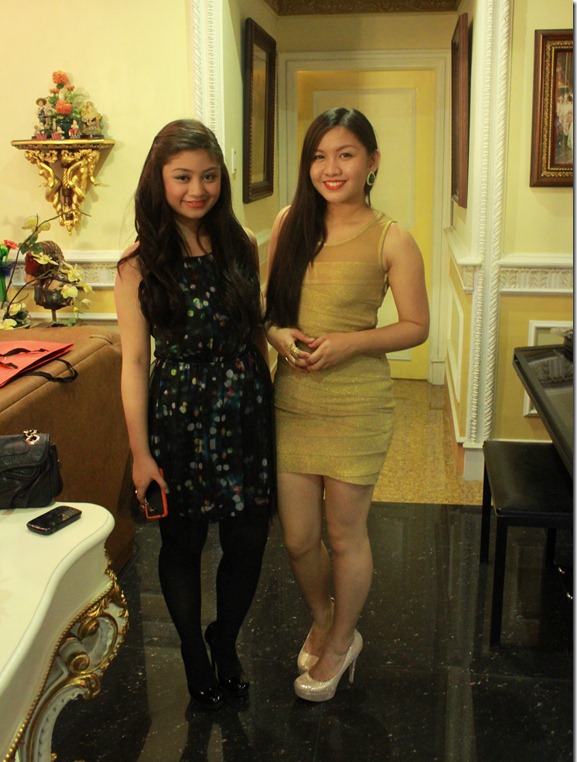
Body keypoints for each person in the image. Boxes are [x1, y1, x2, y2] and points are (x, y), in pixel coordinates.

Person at [264, 107, 429, 702]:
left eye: (346, 154)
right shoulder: (289, 222)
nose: (330, 169)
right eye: (319, 156)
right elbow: (268, 304)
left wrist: (348, 343)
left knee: (343, 534)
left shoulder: (392, 238)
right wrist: (278, 335)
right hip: (294, 396)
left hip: (358, 402)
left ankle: (341, 641)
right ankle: (324, 615)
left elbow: (416, 326)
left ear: (372, 162)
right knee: (298, 537)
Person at [115, 119, 274, 711]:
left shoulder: (241, 244)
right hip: (178, 414)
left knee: (248, 541)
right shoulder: (139, 264)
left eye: (209, 176)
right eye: (182, 177)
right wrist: (140, 454)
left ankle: (223, 639)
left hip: (245, 409)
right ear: (159, 180)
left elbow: (254, 333)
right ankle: (190, 649)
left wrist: (268, 411)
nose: (197, 190)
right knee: (181, 545)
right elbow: (135, 362)